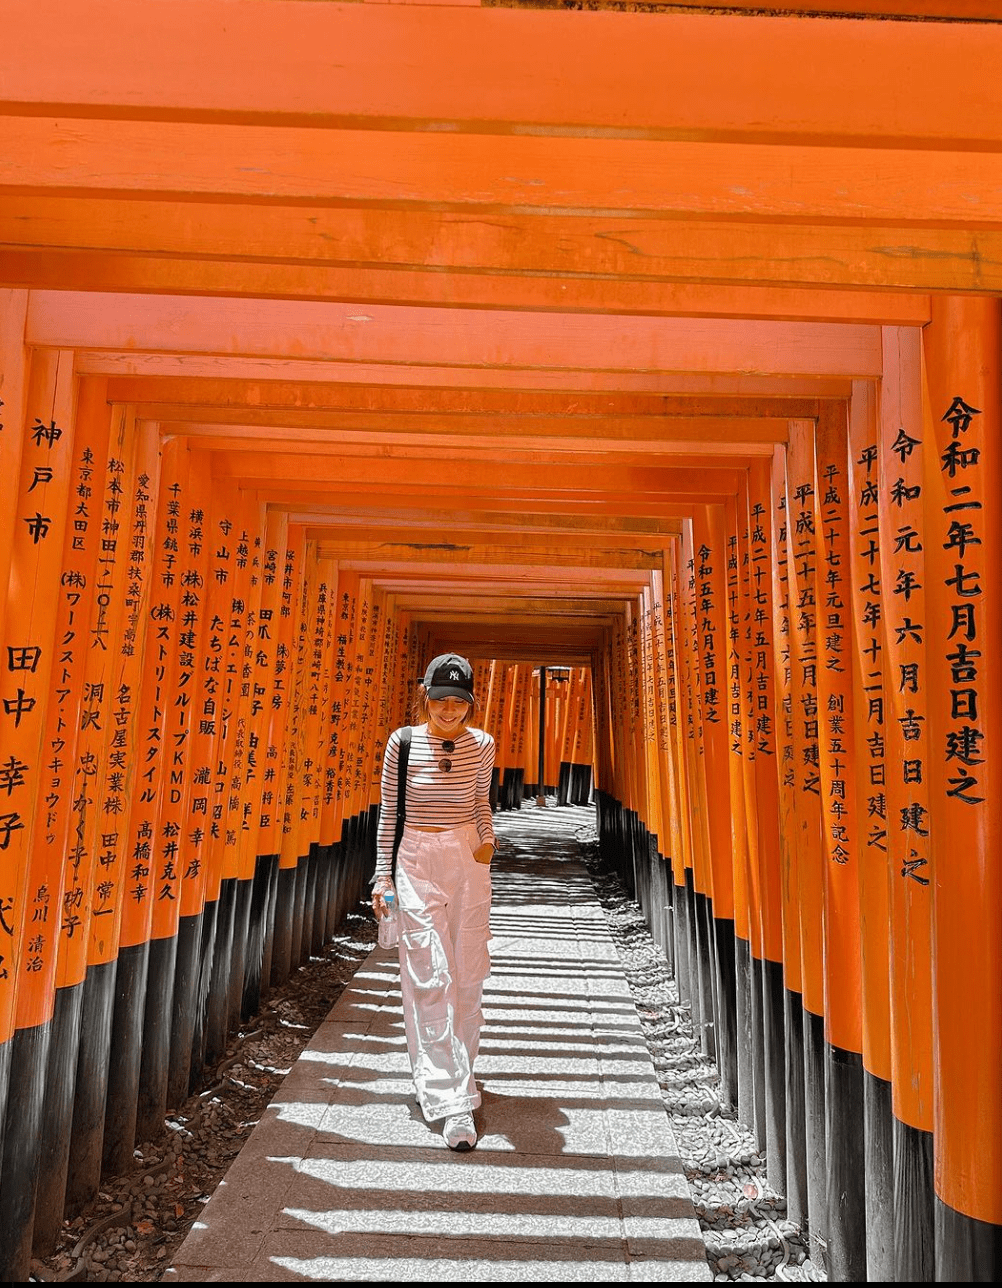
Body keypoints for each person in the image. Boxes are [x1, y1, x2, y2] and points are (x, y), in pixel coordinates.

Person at [372, 652, 497, 1151]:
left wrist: (488, 840)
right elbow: (389, 815)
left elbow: (482, 801)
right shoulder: (401, 744)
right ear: (425, 696)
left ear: (470, 703)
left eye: (459, 701)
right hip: (417, 856)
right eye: (441, 699)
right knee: (431, 976)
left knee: (468, 973)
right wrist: (382, 878)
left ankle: (457, 1076)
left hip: (467, 857)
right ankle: (453, 1104)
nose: (449, 710)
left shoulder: (482, 745)